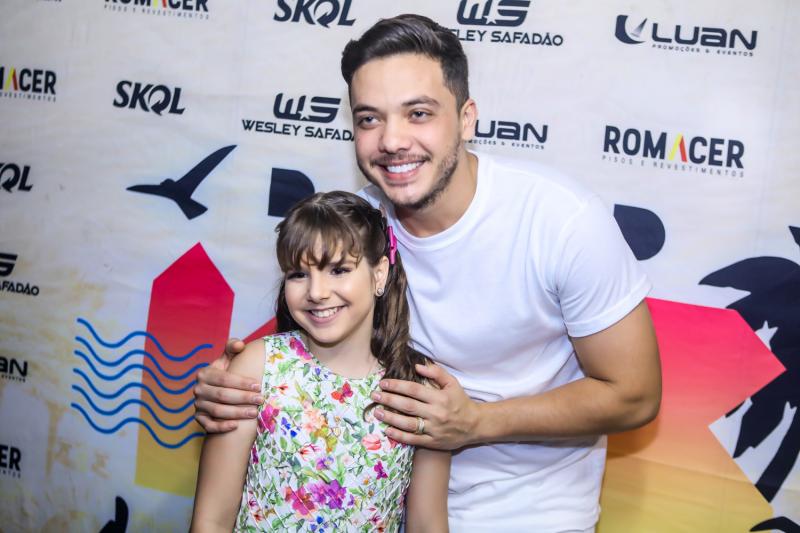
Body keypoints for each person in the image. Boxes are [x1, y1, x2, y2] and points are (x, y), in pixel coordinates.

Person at [193, 14, 661, 532]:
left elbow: (635, 393)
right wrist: (234, 388)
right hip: (375, 505)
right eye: (369, 119)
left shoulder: (560, 221)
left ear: (466, 118)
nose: (392, 140)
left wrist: (477, 422)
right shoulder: (359, 226)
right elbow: (304, 355)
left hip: (530, 513)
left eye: (418, 113)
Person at [190, 191, 450, 532]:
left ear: (379, 274)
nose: (316, 292)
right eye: (298, 274)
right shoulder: (259, 367)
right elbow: (211, 519)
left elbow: (428, 524)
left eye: (339, 270)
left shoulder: (417, 390)